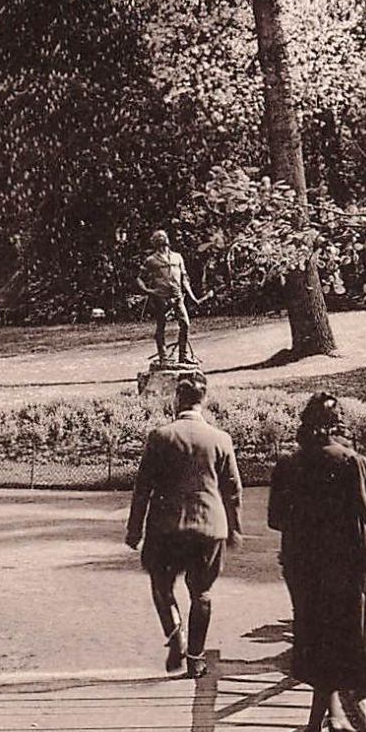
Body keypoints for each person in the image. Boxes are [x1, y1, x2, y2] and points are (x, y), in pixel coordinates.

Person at [267, 393, 366, 732]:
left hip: (300, 565)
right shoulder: (352, 462)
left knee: (311, 636)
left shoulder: (287, 465)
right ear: (338, 425)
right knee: (337, 641)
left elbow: (275, 519)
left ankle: (330, 718)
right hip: (342, 565)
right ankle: (313, 726)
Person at [125, 371, 243, 679]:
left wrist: (134, 529)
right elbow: (233, 489)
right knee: (201, 593)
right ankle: (196, 658)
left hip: (167, 528)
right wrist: (235, 528)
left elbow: (143, 488)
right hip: (209, 527)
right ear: (204, 401)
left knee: (161, 585)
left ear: (177, 399)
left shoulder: (161, 437)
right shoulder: (221, 439)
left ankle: (175, 632)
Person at [135, 229, 201, 366]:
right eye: (158, 237)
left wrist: (191, 295)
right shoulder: (151, 260)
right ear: (154, 242)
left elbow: (184, 278)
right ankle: (163, 356)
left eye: (163, 236)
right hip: (160, 297)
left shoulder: (177, 257)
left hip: (177, 295)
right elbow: (140, 278)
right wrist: (148, 291)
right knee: (161, 326)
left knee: (185, 324)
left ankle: (183, 355)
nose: (161, 238)